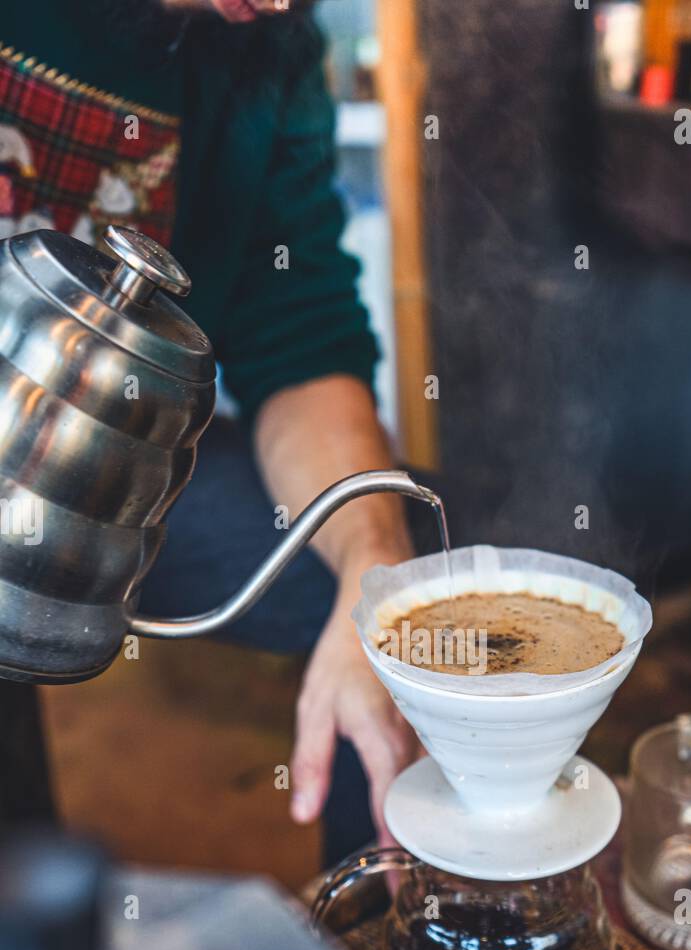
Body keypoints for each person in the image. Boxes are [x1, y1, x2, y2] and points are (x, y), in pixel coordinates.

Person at [0, 0, 418, 861]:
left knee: (406, 618)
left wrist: (376, 570)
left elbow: (297, 337)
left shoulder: (268, 48)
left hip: (99, 483)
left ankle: (378, 940)